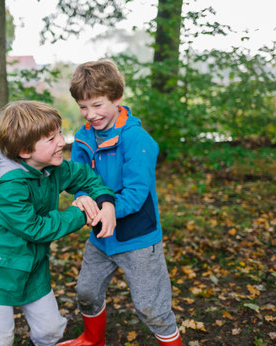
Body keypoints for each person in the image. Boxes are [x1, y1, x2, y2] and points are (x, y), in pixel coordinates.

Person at [58, 59, 182, 346]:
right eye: (83, 107)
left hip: (138, 239)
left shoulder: (137, 139)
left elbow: (136, 193)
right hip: (101, 239)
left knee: (151, 307)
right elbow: (80, 182)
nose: (90, 114)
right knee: (87, 293)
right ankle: (92, 339)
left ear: (117, 99)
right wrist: (85, 202)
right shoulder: (82, 140)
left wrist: (108, 207)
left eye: (98, 105)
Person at [0, 100, 116, 346]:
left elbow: (84, 175)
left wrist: (104, 201)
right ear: (25, 151)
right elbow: (35, 228)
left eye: (59, 133)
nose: (61, 141)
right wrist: (80, 213)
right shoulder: (8, 187)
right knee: (1, 339)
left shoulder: (51, 166)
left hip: (34, 268)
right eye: (51, 139)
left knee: (50, 330)